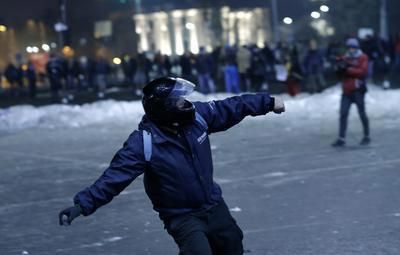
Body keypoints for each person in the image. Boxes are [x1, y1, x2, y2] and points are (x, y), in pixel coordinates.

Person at [58, 77, 286, 255]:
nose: (184, 103)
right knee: (198, 252)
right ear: (164, 108)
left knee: (232, 245)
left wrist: (266, 103)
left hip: (213, 204)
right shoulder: (144, 142)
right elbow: (115, 177)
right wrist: (82, 205)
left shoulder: (197, 117)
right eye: (177, 100)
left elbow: (230, 107)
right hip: (182, 216)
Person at [332, 38, 370, 147]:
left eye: (353, 47)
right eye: (349, 47)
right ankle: (341, 138)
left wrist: (348, 69)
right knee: (343, 114)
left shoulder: (362, 57)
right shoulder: (345, 57)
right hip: (347, 90)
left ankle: (366, 136)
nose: (351, 49)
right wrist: (338, 67)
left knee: (362, 114)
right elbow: (339, 69)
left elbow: (363, 71)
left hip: (358, 90)